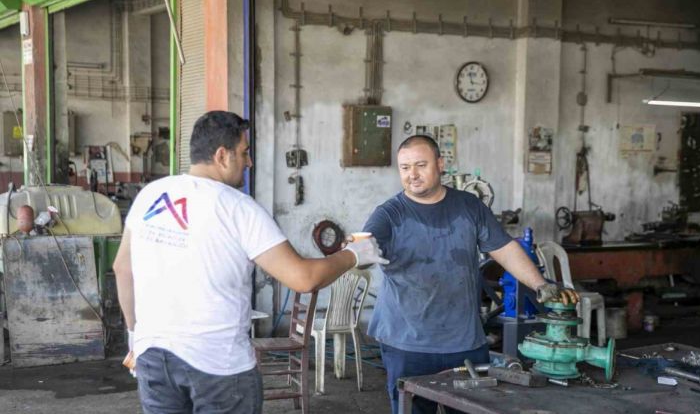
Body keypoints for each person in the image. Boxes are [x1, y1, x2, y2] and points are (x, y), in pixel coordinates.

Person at [113, 110, 388, 414]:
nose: (249, 162)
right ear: (221, 155)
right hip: (218, 368)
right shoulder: (237, 208)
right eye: (244, 153)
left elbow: (122, 269)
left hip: (153, 358)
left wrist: (135, 336)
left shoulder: (151, 194)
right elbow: (303, 278)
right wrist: (354, 255)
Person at [362, 135, 579, 414]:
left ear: (440, 164)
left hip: (463, 341)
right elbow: (363, 248)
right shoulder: (389, 214)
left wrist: (540, 284)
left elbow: (504, 249)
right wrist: (356, 254)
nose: (412, 175)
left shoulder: (469, 206)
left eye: (420, 165)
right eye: (404, 168)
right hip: (407, 343)